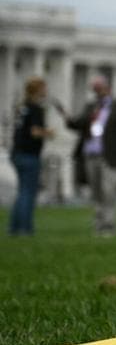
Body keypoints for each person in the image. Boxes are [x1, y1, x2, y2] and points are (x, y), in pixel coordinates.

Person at [59, 75, 116, 237]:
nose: (97, 91)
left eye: (99, 87)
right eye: (94, 88)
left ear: (108, 88)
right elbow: (79, 124)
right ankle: (99, 224)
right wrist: (67, 118)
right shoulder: (91, 107)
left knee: (109, 192)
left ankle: (109, 225)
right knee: (96, 193)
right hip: (91, 154)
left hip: (111, 156)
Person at [9, 77, 54, 236]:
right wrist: (49, 133)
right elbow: (35, 132)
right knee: (28, 192)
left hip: (16, 152)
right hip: (29, 154)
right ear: (38, 90)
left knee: (22, 191)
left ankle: (14, 228)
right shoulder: (36, 108)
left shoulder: (22, 107)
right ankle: (25, 228)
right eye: (44, 88)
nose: (46, 91)